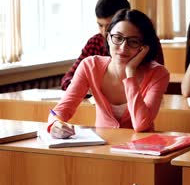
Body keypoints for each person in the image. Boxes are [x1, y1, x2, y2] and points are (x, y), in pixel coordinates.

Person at [48, 9, 169, 138]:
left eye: (133, 41)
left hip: (140, 150)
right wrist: (55, 124)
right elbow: (61, 110)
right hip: (102, 145)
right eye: (118, 38)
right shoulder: (90, 66)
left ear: (144, 47)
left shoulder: (158, 74)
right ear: (108, 38)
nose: (123, 48)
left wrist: (130, 73)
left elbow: (141, 125)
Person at [61, 0, 164, 90]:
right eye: (100, 25)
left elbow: (155, 82)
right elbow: (67, 79)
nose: (104, 31)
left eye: (109, 25)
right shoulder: (95, 42)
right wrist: (90, 87)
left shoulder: (147, 42)